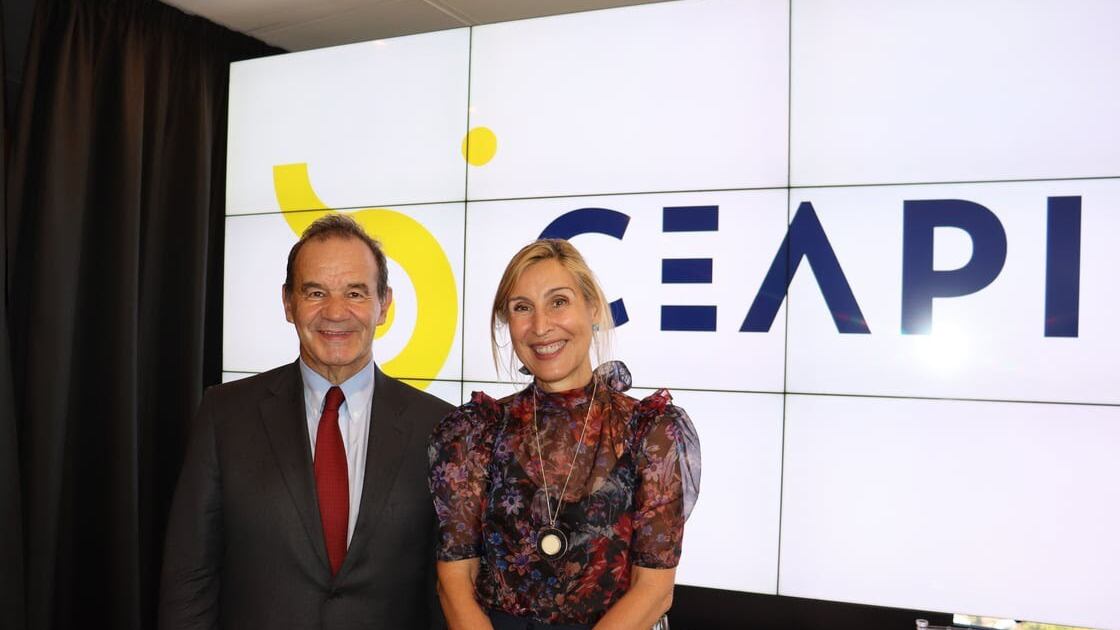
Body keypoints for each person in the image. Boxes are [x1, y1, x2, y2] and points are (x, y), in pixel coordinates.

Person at [160, 213, 453, 629]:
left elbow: (447, 591)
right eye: (316, 292)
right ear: (288, 303)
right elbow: (190, 577)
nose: (335, 312)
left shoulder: (439, 427)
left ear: (384, 305)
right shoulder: (224, 414)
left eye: (355, 292)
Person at [429, 239, 700, 630]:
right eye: (522, 308)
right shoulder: (473, 433)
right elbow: (454, 582)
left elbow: (655, 590)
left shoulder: (651, 431)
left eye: (558, 302)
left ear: (593, 308)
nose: (541, 327)